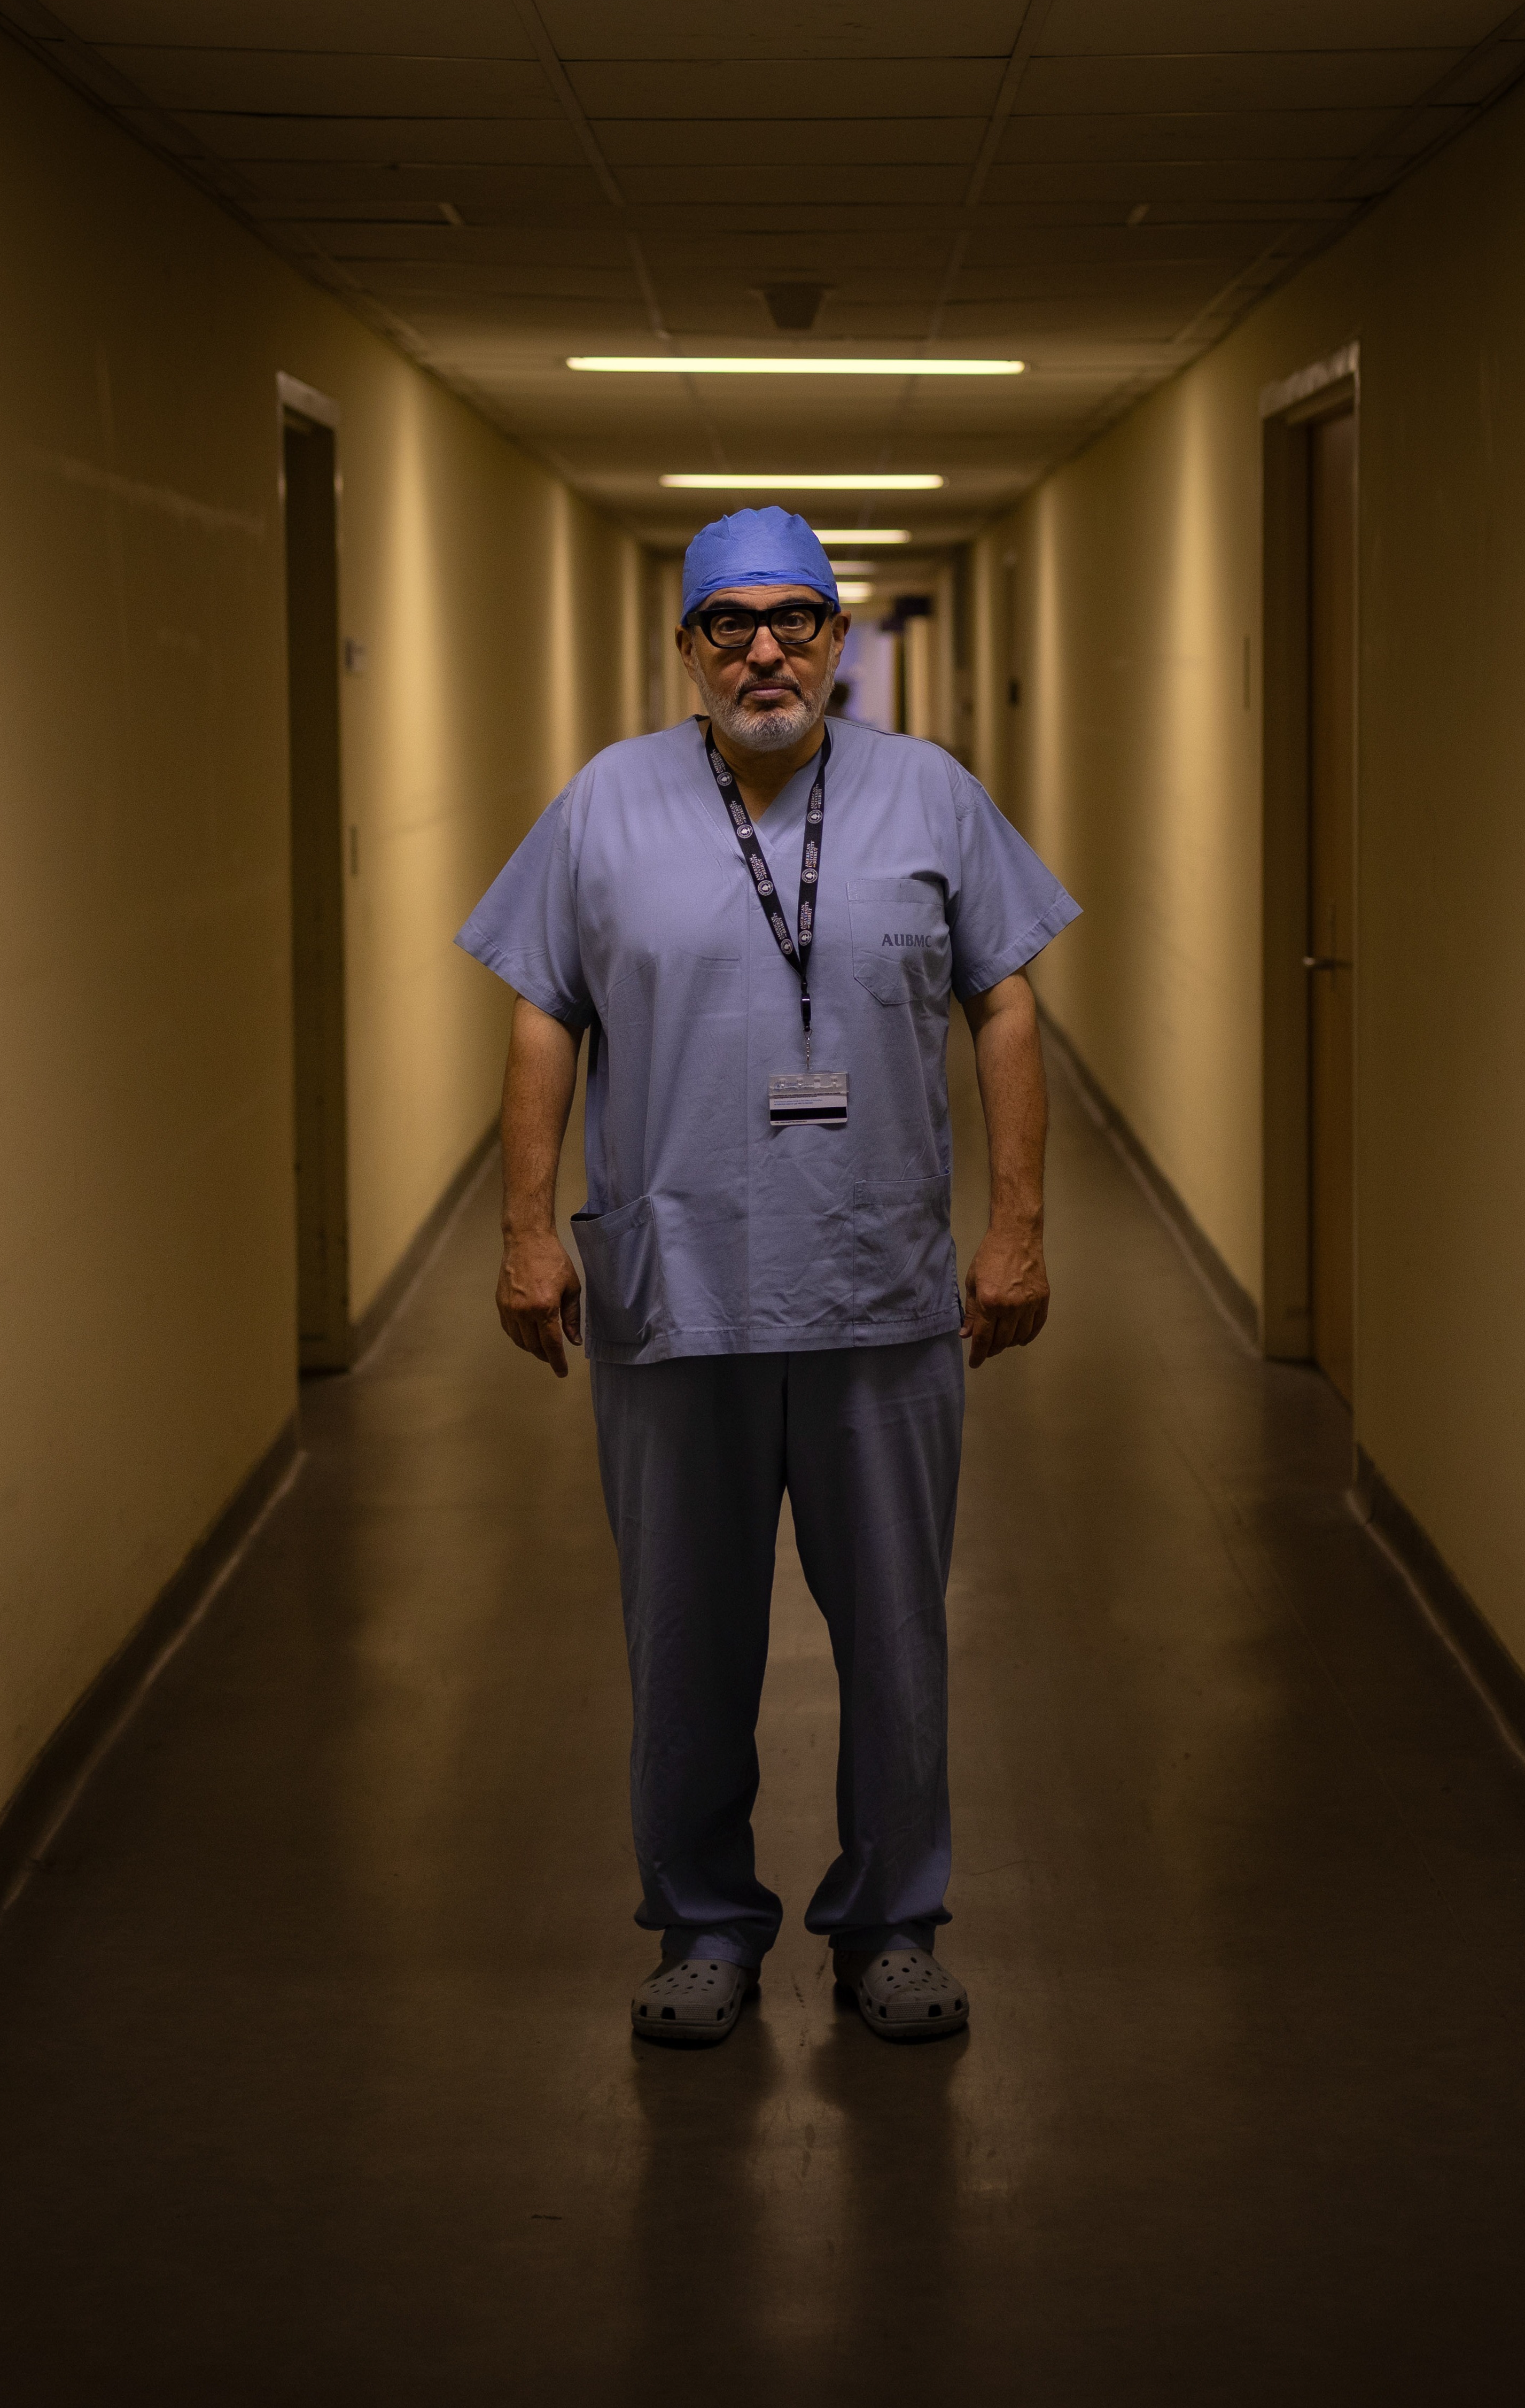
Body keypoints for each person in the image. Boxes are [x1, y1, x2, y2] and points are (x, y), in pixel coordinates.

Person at [456, 507, 1077, 2048]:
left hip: (880, 1299)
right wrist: (528, 1229)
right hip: (679, 1298)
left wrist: (1018, 1227)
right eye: (729, 624)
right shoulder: (604, 807)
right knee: (683, 1633)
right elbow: (543, 1015)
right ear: (686, 651)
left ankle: (893, 1918)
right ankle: (706, 1923)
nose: (765, 650)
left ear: (838, 640)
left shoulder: (932, 796)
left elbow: (1006, 1007)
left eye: (795, 617)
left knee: (898, 1632)